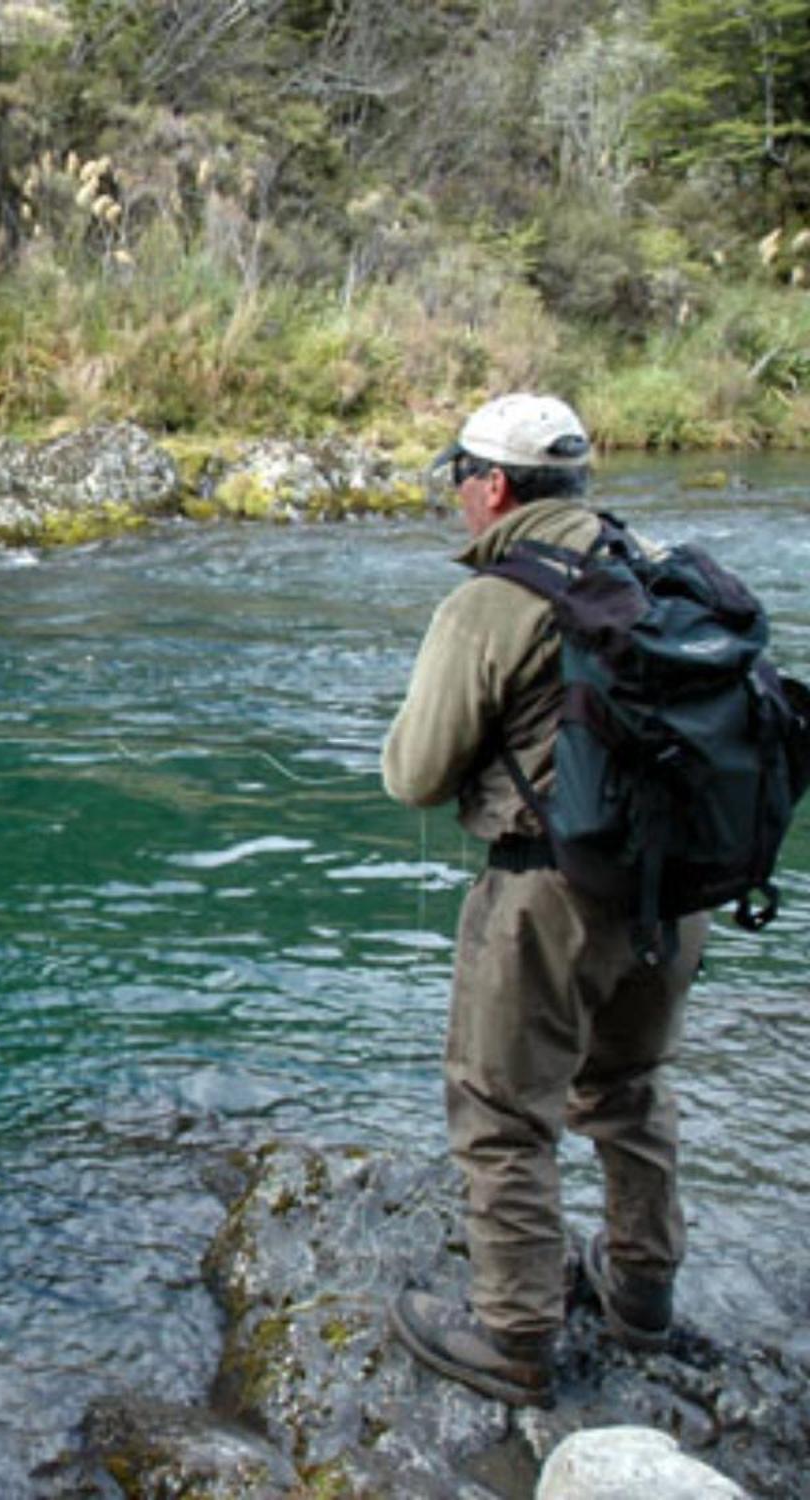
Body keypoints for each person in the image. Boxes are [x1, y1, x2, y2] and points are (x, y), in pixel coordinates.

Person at [380, 393, 709, 1409]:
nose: (456, 502)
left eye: (457, 481)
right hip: (676, 890)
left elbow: (414, 775)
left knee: (499, 1111)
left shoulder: (493, 600)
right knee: (629, 1086)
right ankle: (641, 1300)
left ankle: (515, 1336)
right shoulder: (658, 568)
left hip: (547, 891)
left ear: (493, 487)